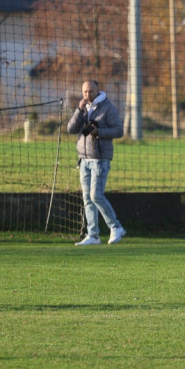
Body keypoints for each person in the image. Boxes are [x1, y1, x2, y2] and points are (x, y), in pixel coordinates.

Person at [67, 80, 125, 246]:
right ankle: (93, 235)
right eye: (85, 92)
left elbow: (119, 130)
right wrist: (79, 110)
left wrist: (98, 132)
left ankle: (116, 227)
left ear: (98, 91)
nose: (87, 95)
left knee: (96, 195)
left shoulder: (108, 108)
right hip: (84, 159)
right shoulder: (83, 108)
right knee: (87, 198)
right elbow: (71, 129)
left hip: (100, 159)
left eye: (90, 92)